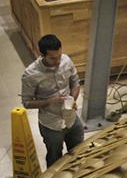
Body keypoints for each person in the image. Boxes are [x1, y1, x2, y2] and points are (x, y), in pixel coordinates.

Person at [21, 34, 84, 167]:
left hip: (71, 119)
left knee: (79, 153)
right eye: (53, 58)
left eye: (59, 56)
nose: (58, 61)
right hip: (51, 124)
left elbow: (75, 83)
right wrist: (50, 101)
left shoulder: (66, 61)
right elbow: (27, 103)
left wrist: (72, 99)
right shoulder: (31, 74)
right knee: (55, 160)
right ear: (42, 55)